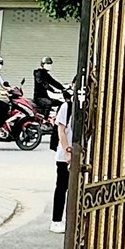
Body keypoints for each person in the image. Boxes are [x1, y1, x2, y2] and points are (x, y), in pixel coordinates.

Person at [50, 89, 73, 234]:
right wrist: (67, 152)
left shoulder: (89, 106)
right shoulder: (67, 107)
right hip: (64, 156)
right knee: (62, 188)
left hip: (82, 155)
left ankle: (73, 219)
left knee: (77, 189)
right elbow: (61, 130)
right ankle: (56, 221)